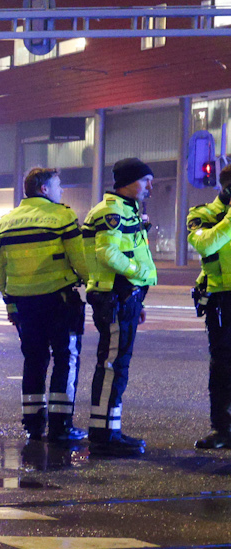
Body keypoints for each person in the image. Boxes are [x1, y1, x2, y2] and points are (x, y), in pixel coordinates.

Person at [0, 167, 91, 443]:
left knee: (34, 360)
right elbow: (80, 259)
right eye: (58, 186)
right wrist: (89, 280)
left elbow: (1, 271)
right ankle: (61, 425)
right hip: (58, 300)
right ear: (44, 189)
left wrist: (11, 305)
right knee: (65, 359)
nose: (61, 191)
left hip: (24, 305)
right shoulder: (62, 217)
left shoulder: (3, 223)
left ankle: (33, 424)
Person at [83, 157, 157, 455]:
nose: (150, 186)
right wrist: (137, 276)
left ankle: (109, 429)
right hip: (114, 297)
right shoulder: (112, 211)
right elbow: (107, 254)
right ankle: (104, 435)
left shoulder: (126, 210)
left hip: (123, 298)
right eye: (145, 180)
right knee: (113, 366)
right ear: (128, 181)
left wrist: (138, 297)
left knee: (116, 365)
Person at [188, 179, 231, 449]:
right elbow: (205, 245)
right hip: (223, 297)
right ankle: (222, 429)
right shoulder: (202, 214)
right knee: (223, 365)